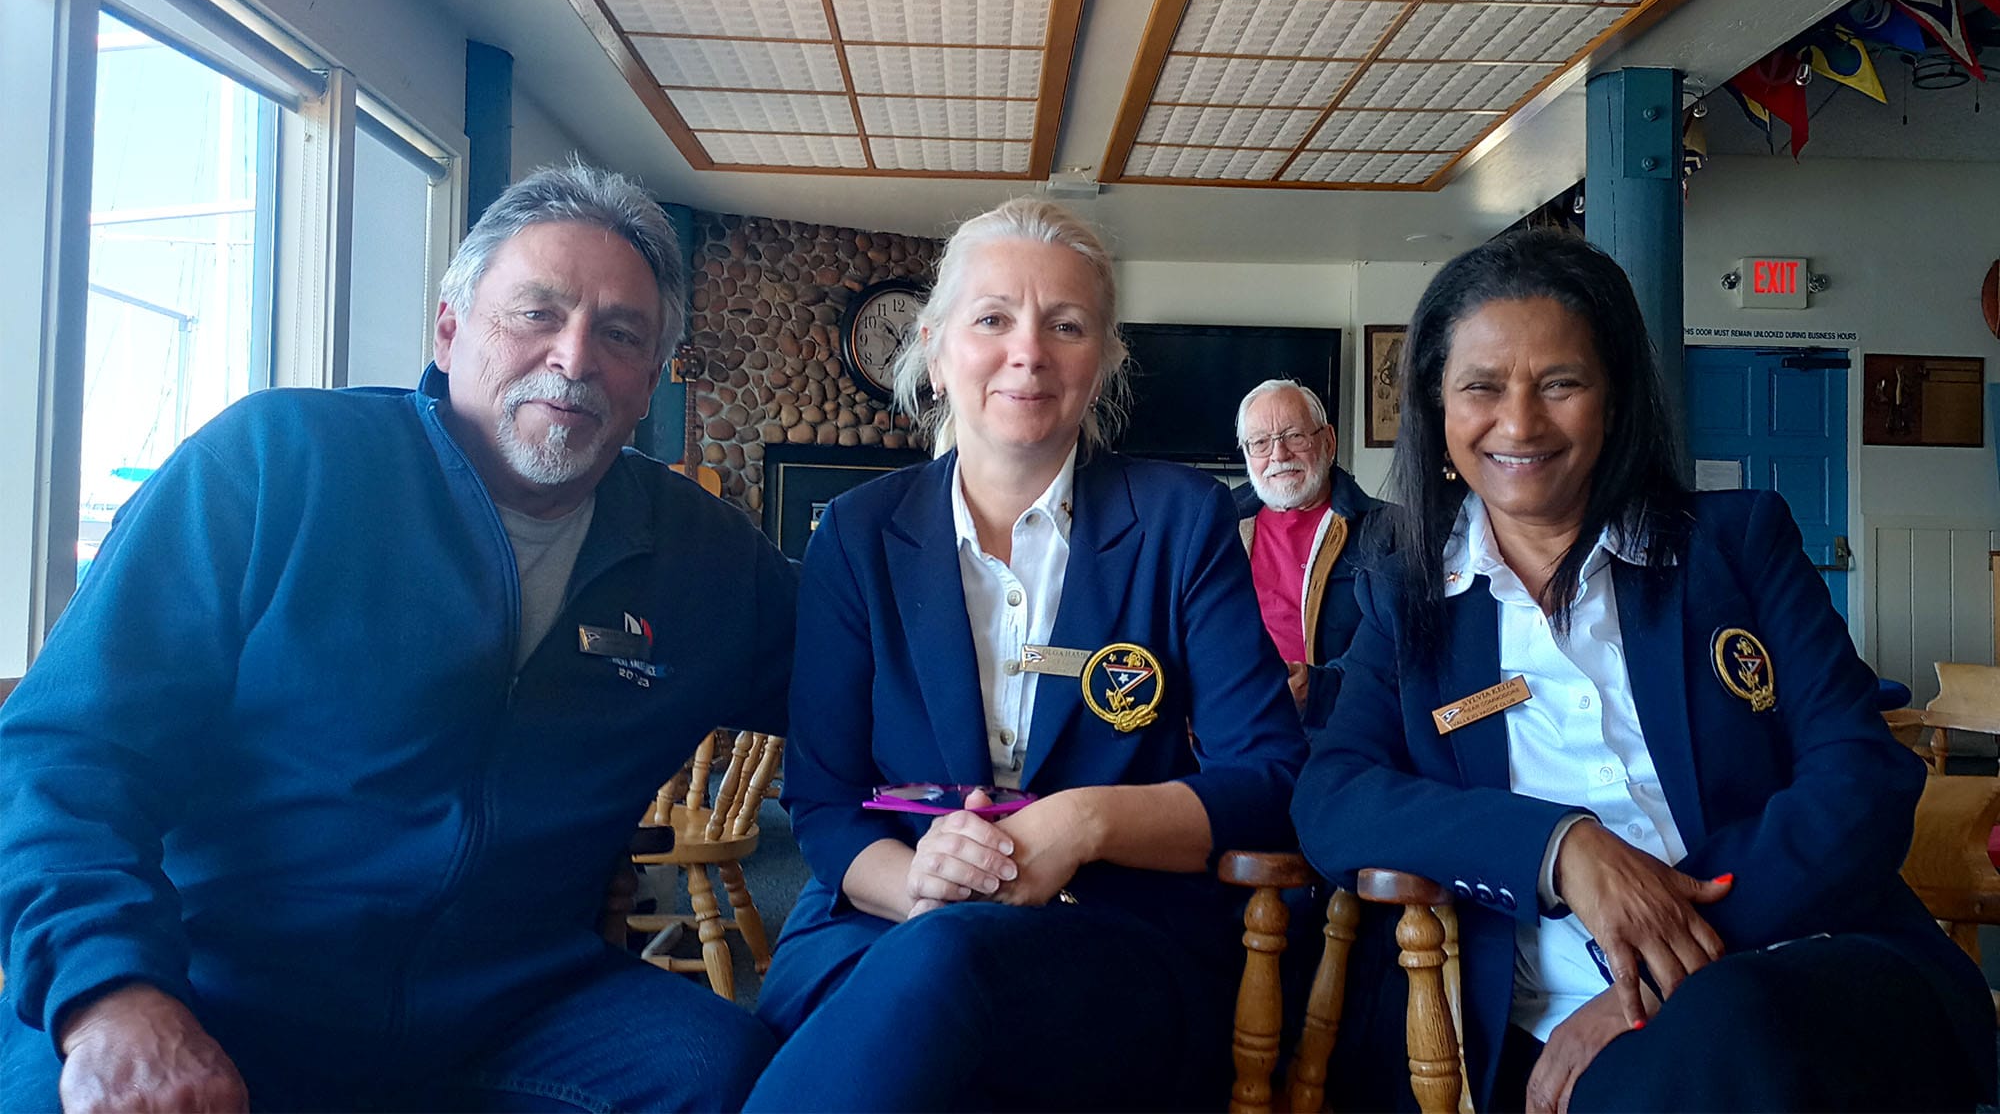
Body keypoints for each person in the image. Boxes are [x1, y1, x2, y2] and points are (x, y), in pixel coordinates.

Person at [0, 164, 797, 1112]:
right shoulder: (273, 463)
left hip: (516, 1004)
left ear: (649, 384)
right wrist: (113, 992)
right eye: (536, 314)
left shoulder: (705, 556)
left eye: (620, 334)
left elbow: (871, 682)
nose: (575, 357)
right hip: (212, 984)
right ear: (451, 328)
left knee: (725, 1072)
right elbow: (67, 753)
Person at [1293, 230, 1993, 1113]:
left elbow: (1862, 777)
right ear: (1436, 407)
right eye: (1481, 387)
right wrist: (1559, 848)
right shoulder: (1408, 589)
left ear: (1615, 398)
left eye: (1561, 383)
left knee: (1729, 1030)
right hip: (1551, 1029)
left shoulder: (1736, 546)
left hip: (1798, 964)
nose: (1519, 423)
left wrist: (1677, 968)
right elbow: (1333, 797)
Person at [744, 198, 1306, 1111]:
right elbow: (822, 795)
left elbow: (1273, 777)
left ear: (1106, 359)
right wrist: (919, 886)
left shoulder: (1181, 521)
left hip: (1113, 935)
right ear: (935, 346)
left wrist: (1084, 822)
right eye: (993, 318)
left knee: (941, 982)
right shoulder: (856, 533)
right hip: (884, 919)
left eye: (1067, 325)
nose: (1029, 352)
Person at [1233, 378, 1382, 719]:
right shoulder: (1216, 525)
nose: (1279, 455)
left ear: (1328, 442)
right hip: (1231, 722)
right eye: (1260, 442)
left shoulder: (1387, 531)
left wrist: (1318, 690)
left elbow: (1396, 659)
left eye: (1294, 436)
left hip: (1335, 724)